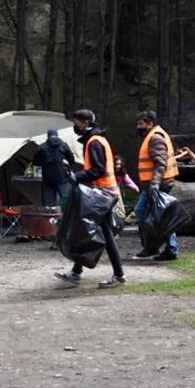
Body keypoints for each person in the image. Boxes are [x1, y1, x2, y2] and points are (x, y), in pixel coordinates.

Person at [54, 109, 126, 288]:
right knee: (89, 231)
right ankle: (77, 272)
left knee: (101, 234)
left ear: (86, 122)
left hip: (102, 195)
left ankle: (119, 275)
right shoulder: (99, 139)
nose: (75, 126)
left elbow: (98, 170)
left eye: (77, 122)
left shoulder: (93, 142)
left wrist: (77, 176)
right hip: (106, 193)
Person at [132, 110, 181, 261]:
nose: (138, 127)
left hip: (158, 185)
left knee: (143, 212)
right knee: (161, 216)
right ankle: (167, 249)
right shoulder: (155, 135)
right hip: (159, 184)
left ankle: (152, 247)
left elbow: (161, 164)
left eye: (141, 124)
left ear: (150, 123)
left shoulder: (155, 138)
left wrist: (154, 184)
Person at [33, 128, 76, 207]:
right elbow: (72, 160)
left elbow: (36, 162)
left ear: (48, 136)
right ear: (57, 135)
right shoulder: (64, 145)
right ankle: (65, 218)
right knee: (66, 201)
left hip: (48, 179)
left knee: (49, 204)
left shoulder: (42, 147)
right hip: (63, 178)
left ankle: (51, 218)